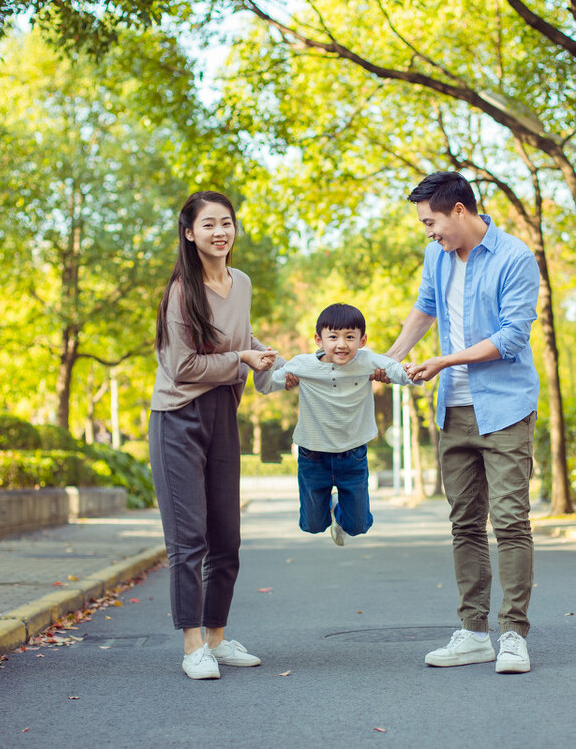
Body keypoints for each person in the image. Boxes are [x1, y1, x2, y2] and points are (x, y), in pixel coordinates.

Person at [383, 171, 541, 674]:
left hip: (506, 409)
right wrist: (386, 361)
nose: (428, 232)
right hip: (454, 410)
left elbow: (512, 336)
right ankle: (474, 633)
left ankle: (513, 634)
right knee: (465, 524)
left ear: (459, 210)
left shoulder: (515, 257)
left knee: (512, 521)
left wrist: (445, 362)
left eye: (431, 222)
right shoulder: (437, 256)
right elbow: (424, 309)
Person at [150, 191, 283, 680]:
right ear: (189, 233)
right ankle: (192, 649)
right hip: (178, 418)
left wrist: (269, 358)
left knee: (227, 537)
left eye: (226, 223)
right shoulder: (182, 292)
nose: (219, 232)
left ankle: (217, 640)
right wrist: (241, 361)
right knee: (189, 540)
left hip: (223, 413)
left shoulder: (241, 282)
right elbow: (180, 366)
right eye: (208, 225)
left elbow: (241, 339)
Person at [270, 303, 414, 546]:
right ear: (319, 339)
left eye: (350, 337)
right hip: (313, 454)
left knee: (359, 525)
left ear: (363, 339)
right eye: (333, 337)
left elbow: (393, 369)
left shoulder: (367, 361)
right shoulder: (303, 364)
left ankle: (339, 511)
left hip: (352, 454)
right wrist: (284, 378)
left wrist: (412, 373)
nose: (341, 344)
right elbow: (272, 381)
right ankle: (330, 505)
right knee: (313, 525)